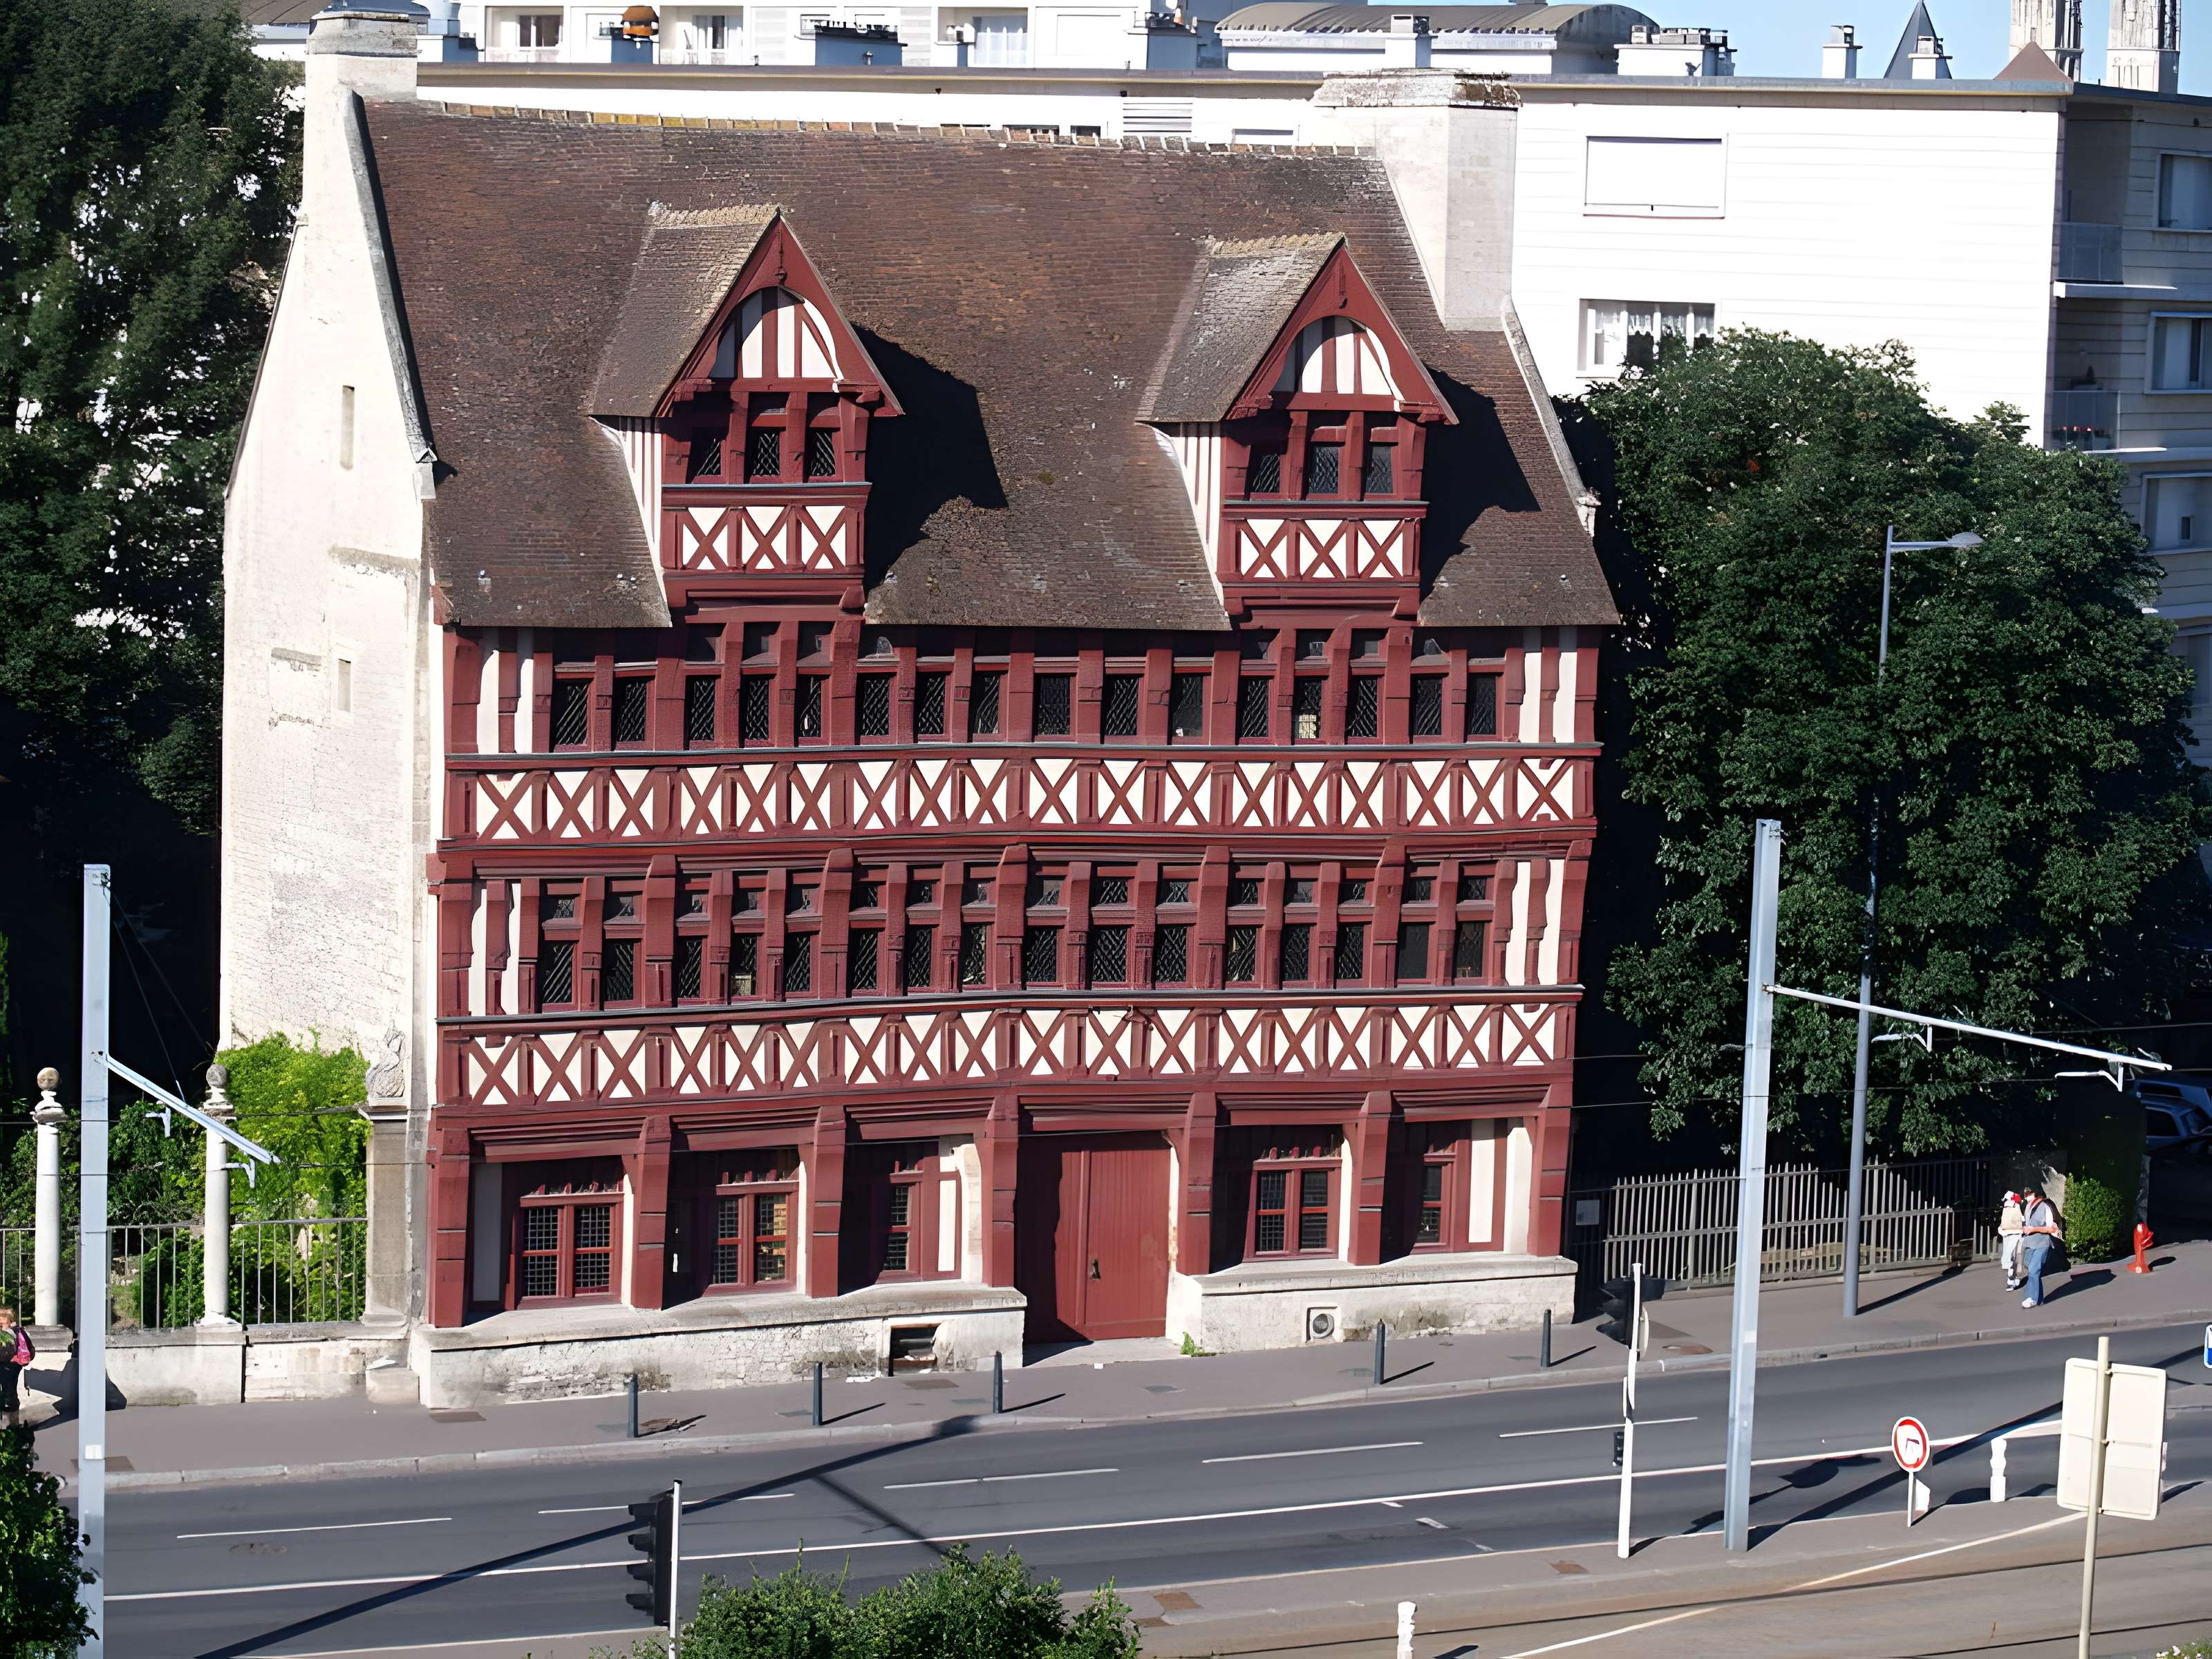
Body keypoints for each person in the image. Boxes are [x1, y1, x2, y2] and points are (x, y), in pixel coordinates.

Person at [2017, 1186, 2062, 1309]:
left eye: (2029, 1193)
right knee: (2032, 1270)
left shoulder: (2046, 1207)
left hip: (2043, 1243)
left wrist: (2034, 1229)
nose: (2026, 1196)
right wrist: (2025, 1229)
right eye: (2026, 1194)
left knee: (2033, 1270)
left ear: (2036, 1194)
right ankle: (2039, 1299)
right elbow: (2027, 1224)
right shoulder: (2027, 1207)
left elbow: (2052, 1228)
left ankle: (2032, 1298)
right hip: (2030, 1243)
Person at [0, 1306, 29, 1428]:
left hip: (9, 1366)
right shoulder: (17, 1331)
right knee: (9, 1393)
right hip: (10, 1366)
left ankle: (11, 1424)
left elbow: (6, 1353)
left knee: (9, 1394)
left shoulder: (10, 1333)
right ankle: (11, 1423)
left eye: (2, 1322)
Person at [1998, 1190, 2026, 1290]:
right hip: (2017, 1233)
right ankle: (2014, 1277)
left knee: (2008, 1255)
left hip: (2006, 1233)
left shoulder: (2005, 1207)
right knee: (2016, 1255)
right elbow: (2021, 1219)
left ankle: (2011, 1279)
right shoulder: (2016, 1206)